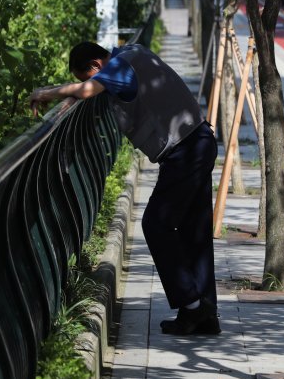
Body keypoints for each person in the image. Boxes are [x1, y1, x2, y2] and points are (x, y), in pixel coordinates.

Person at [29, 42, 220, 335]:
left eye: (88, 75)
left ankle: (194, 306)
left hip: (185, 151)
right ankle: (204, 316)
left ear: (96, 65)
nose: (91, 82)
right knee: (195, 230)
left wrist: (46, 93)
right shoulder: (131, 53)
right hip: (198, 140)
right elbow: (92, 88)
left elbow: (87, 91)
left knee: (156, 224)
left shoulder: (118, 68)